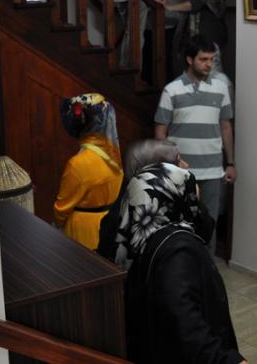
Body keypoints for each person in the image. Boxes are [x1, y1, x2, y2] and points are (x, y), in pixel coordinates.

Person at [97, 139, 245, 364]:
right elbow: (185, 324)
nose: (186, 167)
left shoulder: (132, 216)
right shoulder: (177, 248)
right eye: (178, 165)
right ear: (168, 185)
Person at [154, 35, 235, 255]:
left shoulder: (221, 88)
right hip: (181, 171)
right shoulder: (172, 90)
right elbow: (160, 133)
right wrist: (168, 166)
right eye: (203, 59)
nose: (209, 64)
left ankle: (207, 268)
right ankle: (180, 265)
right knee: (179, 223)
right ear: (190, 60)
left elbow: (226, 127)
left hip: (212, 170)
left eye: (211, 59)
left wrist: (230, 163)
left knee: (209, 224)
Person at [54, 93, 123, 250]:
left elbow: (62, 209)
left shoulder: (78, 163)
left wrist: (56, 224)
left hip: (82, 231)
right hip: (110, 227)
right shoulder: (114, 155)